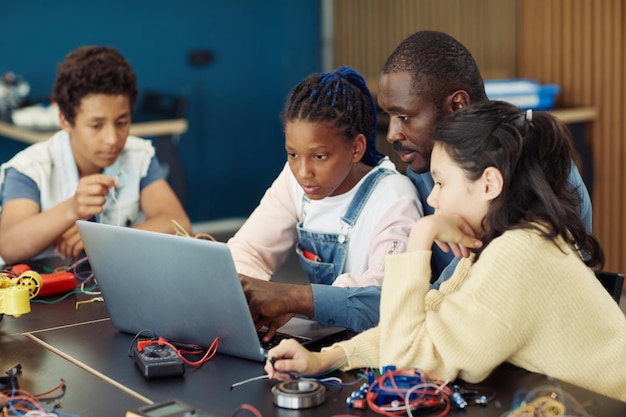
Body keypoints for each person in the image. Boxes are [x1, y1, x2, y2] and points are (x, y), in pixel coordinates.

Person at [263, 100, 626, 403]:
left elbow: (406, 360)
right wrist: (323, 359)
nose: (433, 198)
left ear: (488, 184)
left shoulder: (519, 255)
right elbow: (424, 325)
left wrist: (421, 236)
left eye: (441, 182)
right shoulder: (504, 243)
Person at [377, 30, 592, 284]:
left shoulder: (531, 170)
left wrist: (423, 234)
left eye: (404, 117)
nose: (391, 134)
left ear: (457, 105)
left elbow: (445, 298)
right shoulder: (422, 161)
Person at [227, 67, 422, 340]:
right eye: (292, 154)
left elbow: (386, 295)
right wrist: (248, 297)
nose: (303, 171)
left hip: (369, 345)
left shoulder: (395, 198)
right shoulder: (295, 181)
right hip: (320, 337)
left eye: (319, 157)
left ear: (356, 148)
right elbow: (249, 249)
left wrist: (293, 300)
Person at [0, 46, 191, 265]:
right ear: (65, 120)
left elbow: (179, 225)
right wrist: (71, 209)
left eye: (122, 122)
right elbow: (8, 246)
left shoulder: (138, 155)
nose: (112, 139)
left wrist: (102, 241)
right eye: (96, 125)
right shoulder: (30, 167)